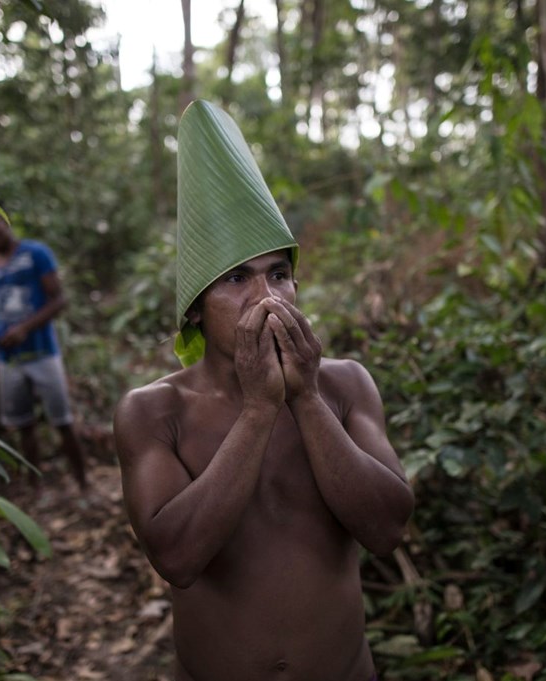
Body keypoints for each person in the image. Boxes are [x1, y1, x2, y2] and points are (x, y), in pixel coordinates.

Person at [114, 101, 414, 681]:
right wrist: (258, 411)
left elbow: (387, 529)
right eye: (236, 279)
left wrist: (304, 400)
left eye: (279, 274)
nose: (267, 297)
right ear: (196, 310)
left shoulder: (344, 385)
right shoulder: (155, 412)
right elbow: (176, 558)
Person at [0, 202, 87, 490]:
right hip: (8, 359)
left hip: (43, 352)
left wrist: (25, 328)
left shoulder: (35, 254)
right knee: (24, 426)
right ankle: (37, 489)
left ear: (5, 222)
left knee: (62, 421)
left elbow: (58, 299)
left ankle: (83, 482)